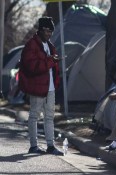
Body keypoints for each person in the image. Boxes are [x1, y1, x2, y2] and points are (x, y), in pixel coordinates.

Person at [18, 17, 62, 155]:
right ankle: (34, 145)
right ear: (41, 30)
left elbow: (49, 65)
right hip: (37, 87)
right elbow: (32, 67)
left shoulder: (49, 45)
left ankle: (51, 145)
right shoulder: (31, 45)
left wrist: (54, 62)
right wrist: (50, 61)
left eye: (51, 32)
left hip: (50, 87)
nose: (49, 34)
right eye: (47, 31)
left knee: (49, 117)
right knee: (34, 116)